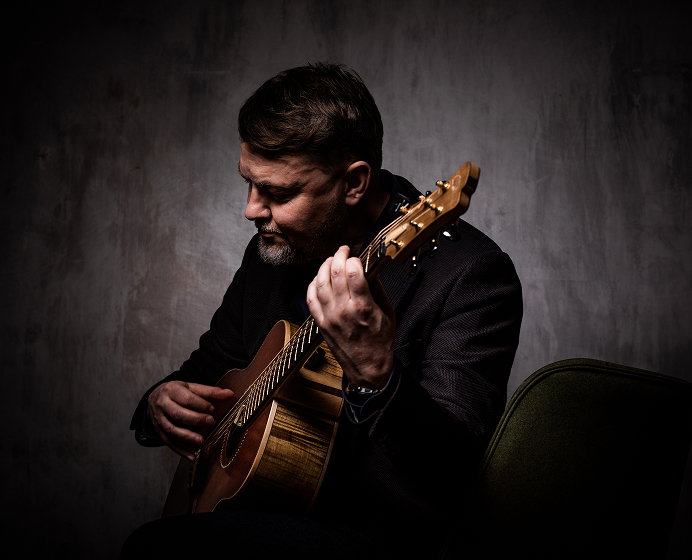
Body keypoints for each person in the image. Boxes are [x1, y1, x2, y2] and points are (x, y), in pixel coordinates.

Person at [124, 62, 522, 559]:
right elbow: (208, 371)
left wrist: (377, 375)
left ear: (354, 183)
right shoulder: (271, 253)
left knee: (152, 550)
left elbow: (453, 467)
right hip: (257, 510)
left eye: (277, 192)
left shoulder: (470, 274)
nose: (251, 210)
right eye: (249, 183)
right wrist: (159, 403)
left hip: (372, 540)